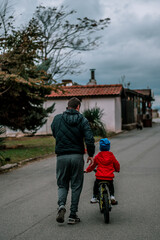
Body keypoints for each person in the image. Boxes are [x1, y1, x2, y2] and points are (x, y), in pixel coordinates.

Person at [51, 97, 95, 224]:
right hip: (77, 156)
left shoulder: (57, 118)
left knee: (62, 183)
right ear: (78, 107)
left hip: (61, 157)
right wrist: (91, 154)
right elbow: (89, 138)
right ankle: (73, 215)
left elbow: (55, 133)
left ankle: (61, 206)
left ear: (67, 106)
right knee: (76, 185)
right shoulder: (82, 119)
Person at [85, 138, 120, 205]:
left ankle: (94, 197)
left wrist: (87, 170)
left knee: (96, 185)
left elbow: (92, 165)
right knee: (111, 185)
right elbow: (116, 164)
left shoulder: (98, 156)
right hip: (109, 176)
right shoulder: (111, 155)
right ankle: (112, 196)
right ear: (108, 147)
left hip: (99, 177)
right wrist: (117, 169)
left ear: (100, 147)